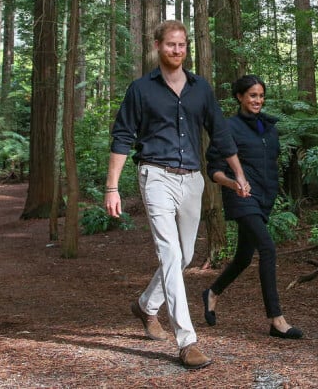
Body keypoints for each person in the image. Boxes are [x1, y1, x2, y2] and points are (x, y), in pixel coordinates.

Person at [104, 20, 249, 370]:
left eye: (182, 45)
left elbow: (221, 134)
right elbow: (123, 137)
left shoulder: (201, 88)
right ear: (157, 46)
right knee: (169, 253)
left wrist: (239, 174)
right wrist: (112, 187)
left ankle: (145, 305)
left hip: (192, 180)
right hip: (155, 175)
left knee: (184, 256)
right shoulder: (141, 89)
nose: (177, 50)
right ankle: (188, 341)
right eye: (171, 44)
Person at [202, 75, 303, 340]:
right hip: (241, 197)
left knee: (244, 257)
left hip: (264, 199)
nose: (257, 100)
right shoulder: (229, 128)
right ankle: (276, 319)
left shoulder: (269, 128)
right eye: (252, 95)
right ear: (239, 97)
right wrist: (232, 182)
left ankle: (212, 292)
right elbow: (213, 169)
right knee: (267, 248)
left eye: (260, 95)